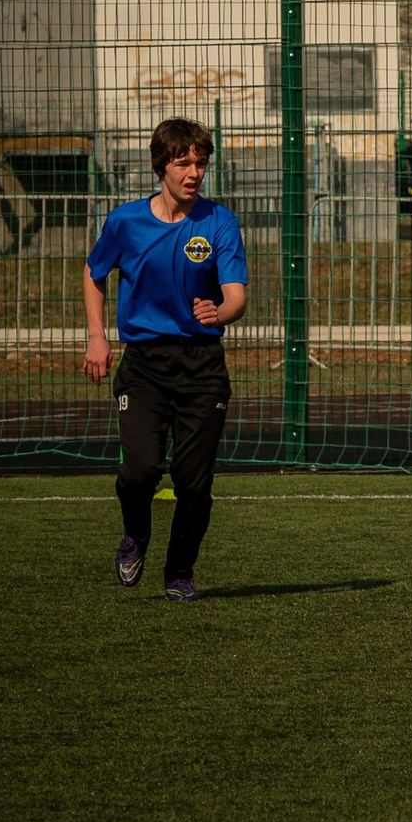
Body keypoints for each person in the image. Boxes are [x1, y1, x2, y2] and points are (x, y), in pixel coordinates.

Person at [82, 118, 248, 601]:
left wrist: (220, 311)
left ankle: (179, 571)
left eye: (201, 163)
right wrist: (97, 337)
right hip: (145, 366)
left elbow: (237, 296)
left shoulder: (219, 222)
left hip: (202, 367)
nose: (194, 172)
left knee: (193, 485)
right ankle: (136, 533)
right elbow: (94, 275)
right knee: (140, 472)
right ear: (162, 167)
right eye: (183, 163)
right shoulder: (125, 221)